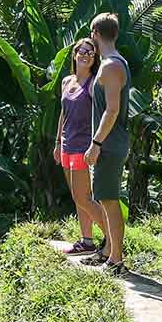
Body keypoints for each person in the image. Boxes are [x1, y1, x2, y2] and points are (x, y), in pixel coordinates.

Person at [83, 12, 131, 275]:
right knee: (104, 198)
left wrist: (96, 143)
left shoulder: (111, 65)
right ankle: (108, 252)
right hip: (109, 144)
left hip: (110, 145)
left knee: (110, 201)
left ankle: (116, 260)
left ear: (96, 34)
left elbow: (112, 110)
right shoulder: (110, 63)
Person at [55, 38, 105, 256]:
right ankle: (86, 241)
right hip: (66, 144)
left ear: (94, 59)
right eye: (82, 51)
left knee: (83, 196)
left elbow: (104, 112)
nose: (86, 55)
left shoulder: (94, 84)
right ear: (74, 54)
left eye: (91, 53)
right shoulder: (66, 81)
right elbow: (62, 113)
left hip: (83, 146)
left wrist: (97, 144)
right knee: (78, 197)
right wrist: (58, 142)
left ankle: (111, 237)